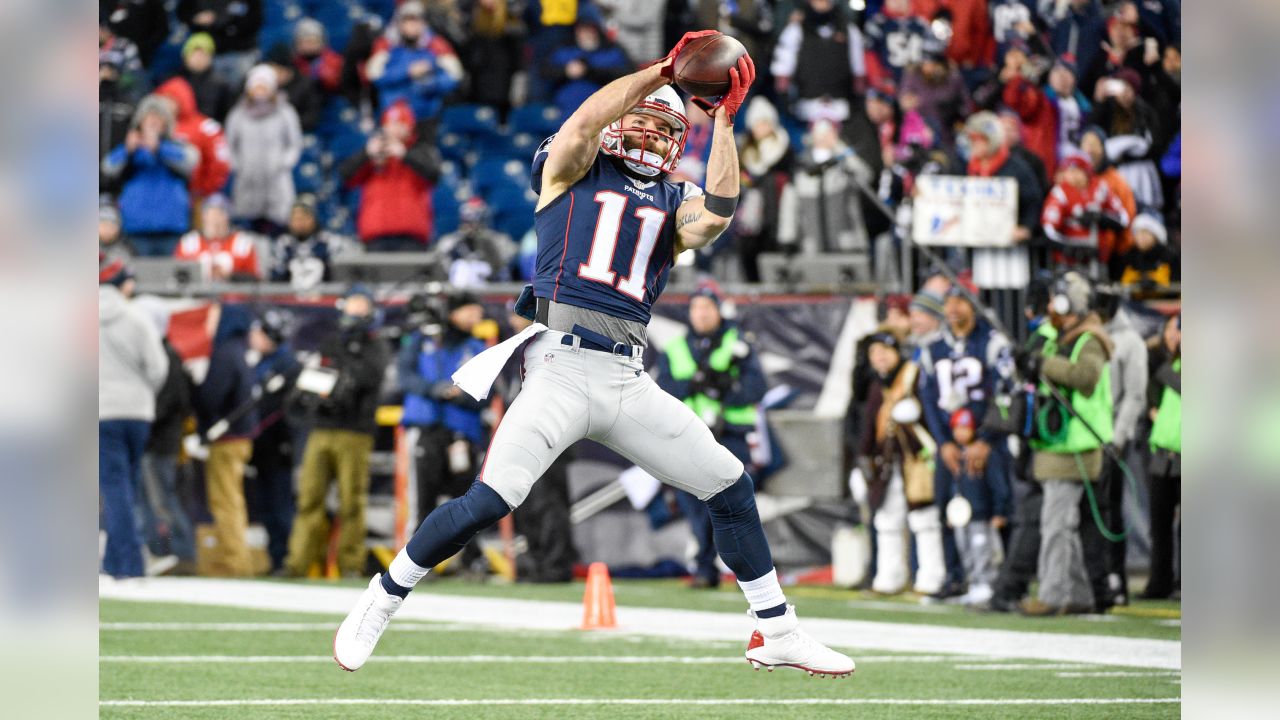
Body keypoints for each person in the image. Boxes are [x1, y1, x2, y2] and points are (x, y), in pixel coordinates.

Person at [333, 31, 854, 678]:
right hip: (560, 364)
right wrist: (663, 71)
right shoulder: (571, 168)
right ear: (619, 119)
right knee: (495, 497)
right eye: (641, 117)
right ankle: (384, 596)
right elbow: (582, 123)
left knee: (728, 483)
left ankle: (776, 629)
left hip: (626, 378)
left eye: (666, 127)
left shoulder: (673, 201)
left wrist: (722, 119)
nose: (652, 134)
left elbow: (718, 213)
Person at [1014, 271, 1112, 615]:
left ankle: (1053, 595)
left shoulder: (1090, 340)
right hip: (1057, 443)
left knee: (1056, 524)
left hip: (1078, 445)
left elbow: (1085, 379)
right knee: (1065, 526)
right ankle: (1081, 594)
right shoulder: (1061, 337)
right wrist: (1028, 362)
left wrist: (1043, 363)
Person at [657, 287, 768, 588]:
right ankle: (706, 564)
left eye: (708, 307)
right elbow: (660, 390)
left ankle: (737, 569)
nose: (702, 314)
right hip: (688, 437)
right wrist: (692, 385)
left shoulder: (738, 344)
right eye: (696, 308)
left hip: (729, 436)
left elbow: (757, 387)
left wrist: (725, 391)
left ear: (719, 311)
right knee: (695, 505)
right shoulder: (676, 347)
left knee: (729, 503)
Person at [281, 287, 390, 578]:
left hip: (355, 430)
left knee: (351, 501)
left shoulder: (374, 343)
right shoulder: (331, 340)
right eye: (351, 303)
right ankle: (299, 563)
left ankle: (350, 565)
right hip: (322, 427)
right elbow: (315, 377)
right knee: (309, 498)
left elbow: (369, 378)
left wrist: (348, 362)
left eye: (360, 304)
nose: (354, 310)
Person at [917, 281, 1014, 599]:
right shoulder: (934, 348)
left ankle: (1001, 581)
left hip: (989, 443)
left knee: (992, 510)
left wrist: (985, 439)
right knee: (947, 509)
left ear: (974, 304)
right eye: (949, 302)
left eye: (961, 301)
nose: (954, 308)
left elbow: (1005, 394)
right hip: (949, 445)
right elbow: (929, 400)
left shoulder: (992, 343)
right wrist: (943, 442)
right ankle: (956, 577)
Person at [855, 331, 945, 595]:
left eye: (884, 350)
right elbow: (869, 426)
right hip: (887, 462)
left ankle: (932, 576)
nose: (879, 357)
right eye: (874, 353)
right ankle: (889, 577)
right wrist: (864, 460)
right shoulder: (877, 384)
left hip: (915, 459)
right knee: (886, 520)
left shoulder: (913, 376)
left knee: (924, 518)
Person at [399, 292, 490, 547]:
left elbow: (487, 392)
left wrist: (458, 396)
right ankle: (414, 561)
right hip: (427, 429)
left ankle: (472, 559)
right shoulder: (422, 341)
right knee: (422, 499)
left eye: (478, 313)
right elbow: (404, 377)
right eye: (470, 311)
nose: (475, 318)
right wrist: (434, 389)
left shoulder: (475, 348)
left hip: (462, 430)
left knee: (468, 501)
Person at [99, 255, 169, 578]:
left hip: (100, 411)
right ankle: (116, 559)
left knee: (114, 487)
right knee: (128, 484)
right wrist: (140, 395)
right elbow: (158, 368)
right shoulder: (136, 318)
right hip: (138, 411)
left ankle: (129, 562)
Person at [1089, 288, 1148, 609]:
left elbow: (1135, 395)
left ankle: (1116, 579)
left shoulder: (1130, 342)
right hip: (1083, 436)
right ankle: (1092, 576)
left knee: (1109, 512)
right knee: (1087, 512)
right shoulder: (1085, 336)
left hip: (1110, 436)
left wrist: (1118, 437)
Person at [133, 297, 197, 575]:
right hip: (152, 440)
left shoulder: (166, 355)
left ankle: (182, 555)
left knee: (163, 502)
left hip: (159, 441)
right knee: (150, 502)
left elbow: (172, 402)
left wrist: (141, 417)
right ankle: (160, 553)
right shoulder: (157, 353)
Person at [194, 304, 257, 577]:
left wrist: (196, 393)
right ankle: (232, 557)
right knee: (232, 498)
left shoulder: (225, 353)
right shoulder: (238, 350)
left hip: (227, 437)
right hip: (239, 436)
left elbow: (211, 396)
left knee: (225, 500)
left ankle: (236, 562)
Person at [100, 95, 199, 256]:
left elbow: (191, 161)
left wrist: (159, 148)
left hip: (171, 226)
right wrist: (127, 150)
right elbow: (107, 167)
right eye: (149, 118)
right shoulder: (131, 149)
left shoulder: (175, 145)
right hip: (136, 227)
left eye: (158, 118)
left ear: (166, 122)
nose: (153, 122)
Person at [339, 100, 443, 252]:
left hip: (411, 235)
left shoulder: (421, 151)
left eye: (400, 124)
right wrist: (366, 155)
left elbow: (433, 175)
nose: (394, 129)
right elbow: (345, 176)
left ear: (410, 127)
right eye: (390, 124)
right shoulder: (373, 156)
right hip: (376, 234)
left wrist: (405, 155)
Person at [246, 310, 301, 574]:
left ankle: (288, 559)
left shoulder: (288, 365)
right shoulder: (262, 362)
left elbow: (287, 410)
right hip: (263, 444)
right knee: (267, 504)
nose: (253, 338)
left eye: (259, 334)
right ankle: (275, 558)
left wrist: (287, 441)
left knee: (281, 504)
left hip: (280, 444)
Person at [940, 408, 1011, 606]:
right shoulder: (955, 455)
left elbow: (998, 485)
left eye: (966, 428)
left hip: (982, 516)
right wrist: (951, 512)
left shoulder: (985, 453)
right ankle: (974, 584)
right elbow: (953, 488)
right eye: (957, 428)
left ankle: (987, 584)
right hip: (962, 517)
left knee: (984, 552)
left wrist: (999, 511)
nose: (961, 433)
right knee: (967, 552)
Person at [776, 119, 874, 260]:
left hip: (845, 244)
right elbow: (790, 208)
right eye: (819, 133)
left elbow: (865, 176)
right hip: (812, 244)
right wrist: (787, 238)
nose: (823, 137)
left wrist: (839, 147)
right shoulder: (800, 168)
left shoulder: (843, 164)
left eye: (828, 133)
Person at [225, 64, 302, 234]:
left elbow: (295, 143)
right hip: (248, 180)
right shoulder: (237, 114)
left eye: (264, 86)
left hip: (276, 179)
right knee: (250, 228)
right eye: (256, 86)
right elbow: (229, 145)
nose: (260, 90)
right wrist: (238, 166)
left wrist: (283, 163)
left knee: (279, 227)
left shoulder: (286, 112)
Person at [366, 1, 464, 123]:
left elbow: (454, 76)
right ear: (399, 23)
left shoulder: (436, 45)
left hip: (426, 116)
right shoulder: (386, 45)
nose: (412, 25)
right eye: (408, 20)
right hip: (393, 118)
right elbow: (375, 76)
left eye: (416, 20)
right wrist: (407, 72)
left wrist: (430, 83)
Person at [770, 0, 866, 124]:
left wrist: (858, 101)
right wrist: (785, 100)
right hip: (806, 107)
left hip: (841, 107)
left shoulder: (848, 29)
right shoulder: (796, 29)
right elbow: (782, 70)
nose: (821, 3)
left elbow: (859, 70)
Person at [1141, 313, 1180, 599]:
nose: (1175, 335)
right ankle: (1160, 583)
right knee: (1159, 527)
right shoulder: (1171, 363)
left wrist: (1161, 368)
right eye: (1172, 329)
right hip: (1163, 454)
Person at [735, 97, 794, 282]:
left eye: (765, 123)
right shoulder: (746, 151)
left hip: (777, 205)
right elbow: (741, 178)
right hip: (752, 210)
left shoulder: (783, 148)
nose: (762, 128)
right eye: (758, 124)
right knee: (748, 246)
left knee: (774, 246)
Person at [154, 76, 232, 204]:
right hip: (163, 197)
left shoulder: (205, 127)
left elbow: (220, 163)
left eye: (171, 98)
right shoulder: (153, 126)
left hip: (197, 197)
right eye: (163, 98)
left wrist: (204, 190)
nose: (166, 104)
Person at [543, 14, 634, 119]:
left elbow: (627, 76)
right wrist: (566, 71)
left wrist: (589, 71)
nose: (585, 35)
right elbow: (545, 72)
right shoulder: (564, 51)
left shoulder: (612, 52)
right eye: (581, 31)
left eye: (589, 30)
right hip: (564, 112)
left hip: (602, 112)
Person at [177, 0, 264, 90]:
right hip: (214, 52)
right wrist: (195, 18)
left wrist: (227, 24)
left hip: (242, 51)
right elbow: (183, 12)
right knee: (211, 90)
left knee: (242, 89)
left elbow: (256, 19)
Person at [270, 195, 354, 289]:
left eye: (304, 218)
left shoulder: (329, 242)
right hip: (290, 299)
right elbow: (276, 278)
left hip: (325, 298)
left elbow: (343, 273)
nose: (299, 223)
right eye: (295, 219)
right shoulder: (283, 244)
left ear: (313, 219)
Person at [173, 194, 263, 281]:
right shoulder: (188, 243)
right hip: (198, 296)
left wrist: (231, 276)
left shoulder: (243, 244)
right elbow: (176, 276)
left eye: (219, 214)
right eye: (210, 214)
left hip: (232, 295)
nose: (215, 219)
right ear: (203, 217)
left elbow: (254, 280)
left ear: (228, 217)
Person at [434, 198, 517, 287]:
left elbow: (506, 260)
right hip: (461, 292)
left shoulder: (499, 240)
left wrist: (484, 240)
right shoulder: (450, 242)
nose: (470, 226)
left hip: (492, 288)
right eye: (467, 221)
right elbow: (442, 261)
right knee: (461, 266)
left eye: (475, 220)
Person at [264, 42, 323, 133]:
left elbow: (311, 117)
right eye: (272, 69)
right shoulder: (261, 83)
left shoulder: (306, 85)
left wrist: (286, 125)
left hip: (297, 131)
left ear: (288, 69)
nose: (275, 75)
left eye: (279, 71)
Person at [179, 33, 236, 123]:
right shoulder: (176, 82)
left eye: (203, 54)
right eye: (194, 54)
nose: (199, 59)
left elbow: (228, 115)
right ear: (185, 57)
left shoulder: (221, 84)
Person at [1115, 212, 1175, 296]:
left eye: (1146, 232)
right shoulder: (1127, 258)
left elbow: (1177, 289)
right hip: (1130, 305)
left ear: (1156, 236)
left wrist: (1156, 286)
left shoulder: (1169, 257)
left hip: (1162, 305)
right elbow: (1118, 287)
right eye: (1139, 232)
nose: (1142, 237)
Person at [291, 18, 345, 96]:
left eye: (313, 41)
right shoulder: (293, 62)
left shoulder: (334, 60)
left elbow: (336, 83)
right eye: (305, 42)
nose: (309, 46)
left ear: (322, 42)